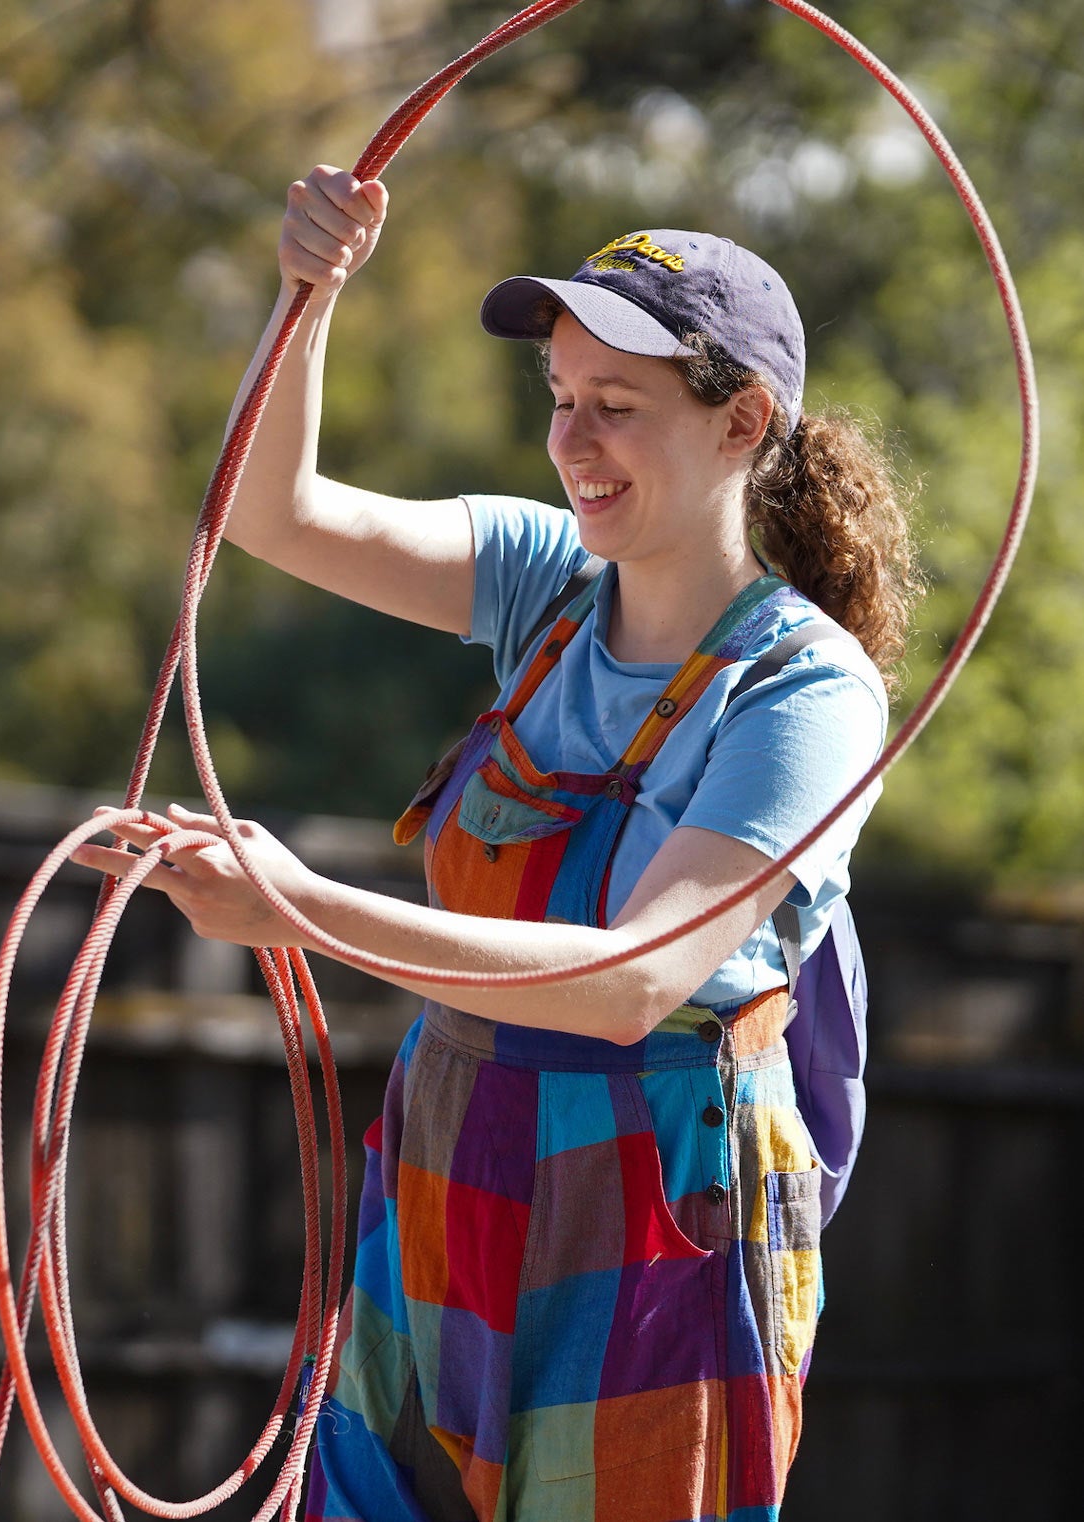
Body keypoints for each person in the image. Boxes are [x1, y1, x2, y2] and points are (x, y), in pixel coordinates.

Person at [74, 167, 920, 1522]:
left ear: (742, 421)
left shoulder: (802, 690)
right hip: (446, 1176)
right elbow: (269, 510)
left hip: (651, 1237)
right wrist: (309, 295)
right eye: (560, 403)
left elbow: (631, 977)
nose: (574, 444)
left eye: (619, 410)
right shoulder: (545, 584)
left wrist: (299, 911)